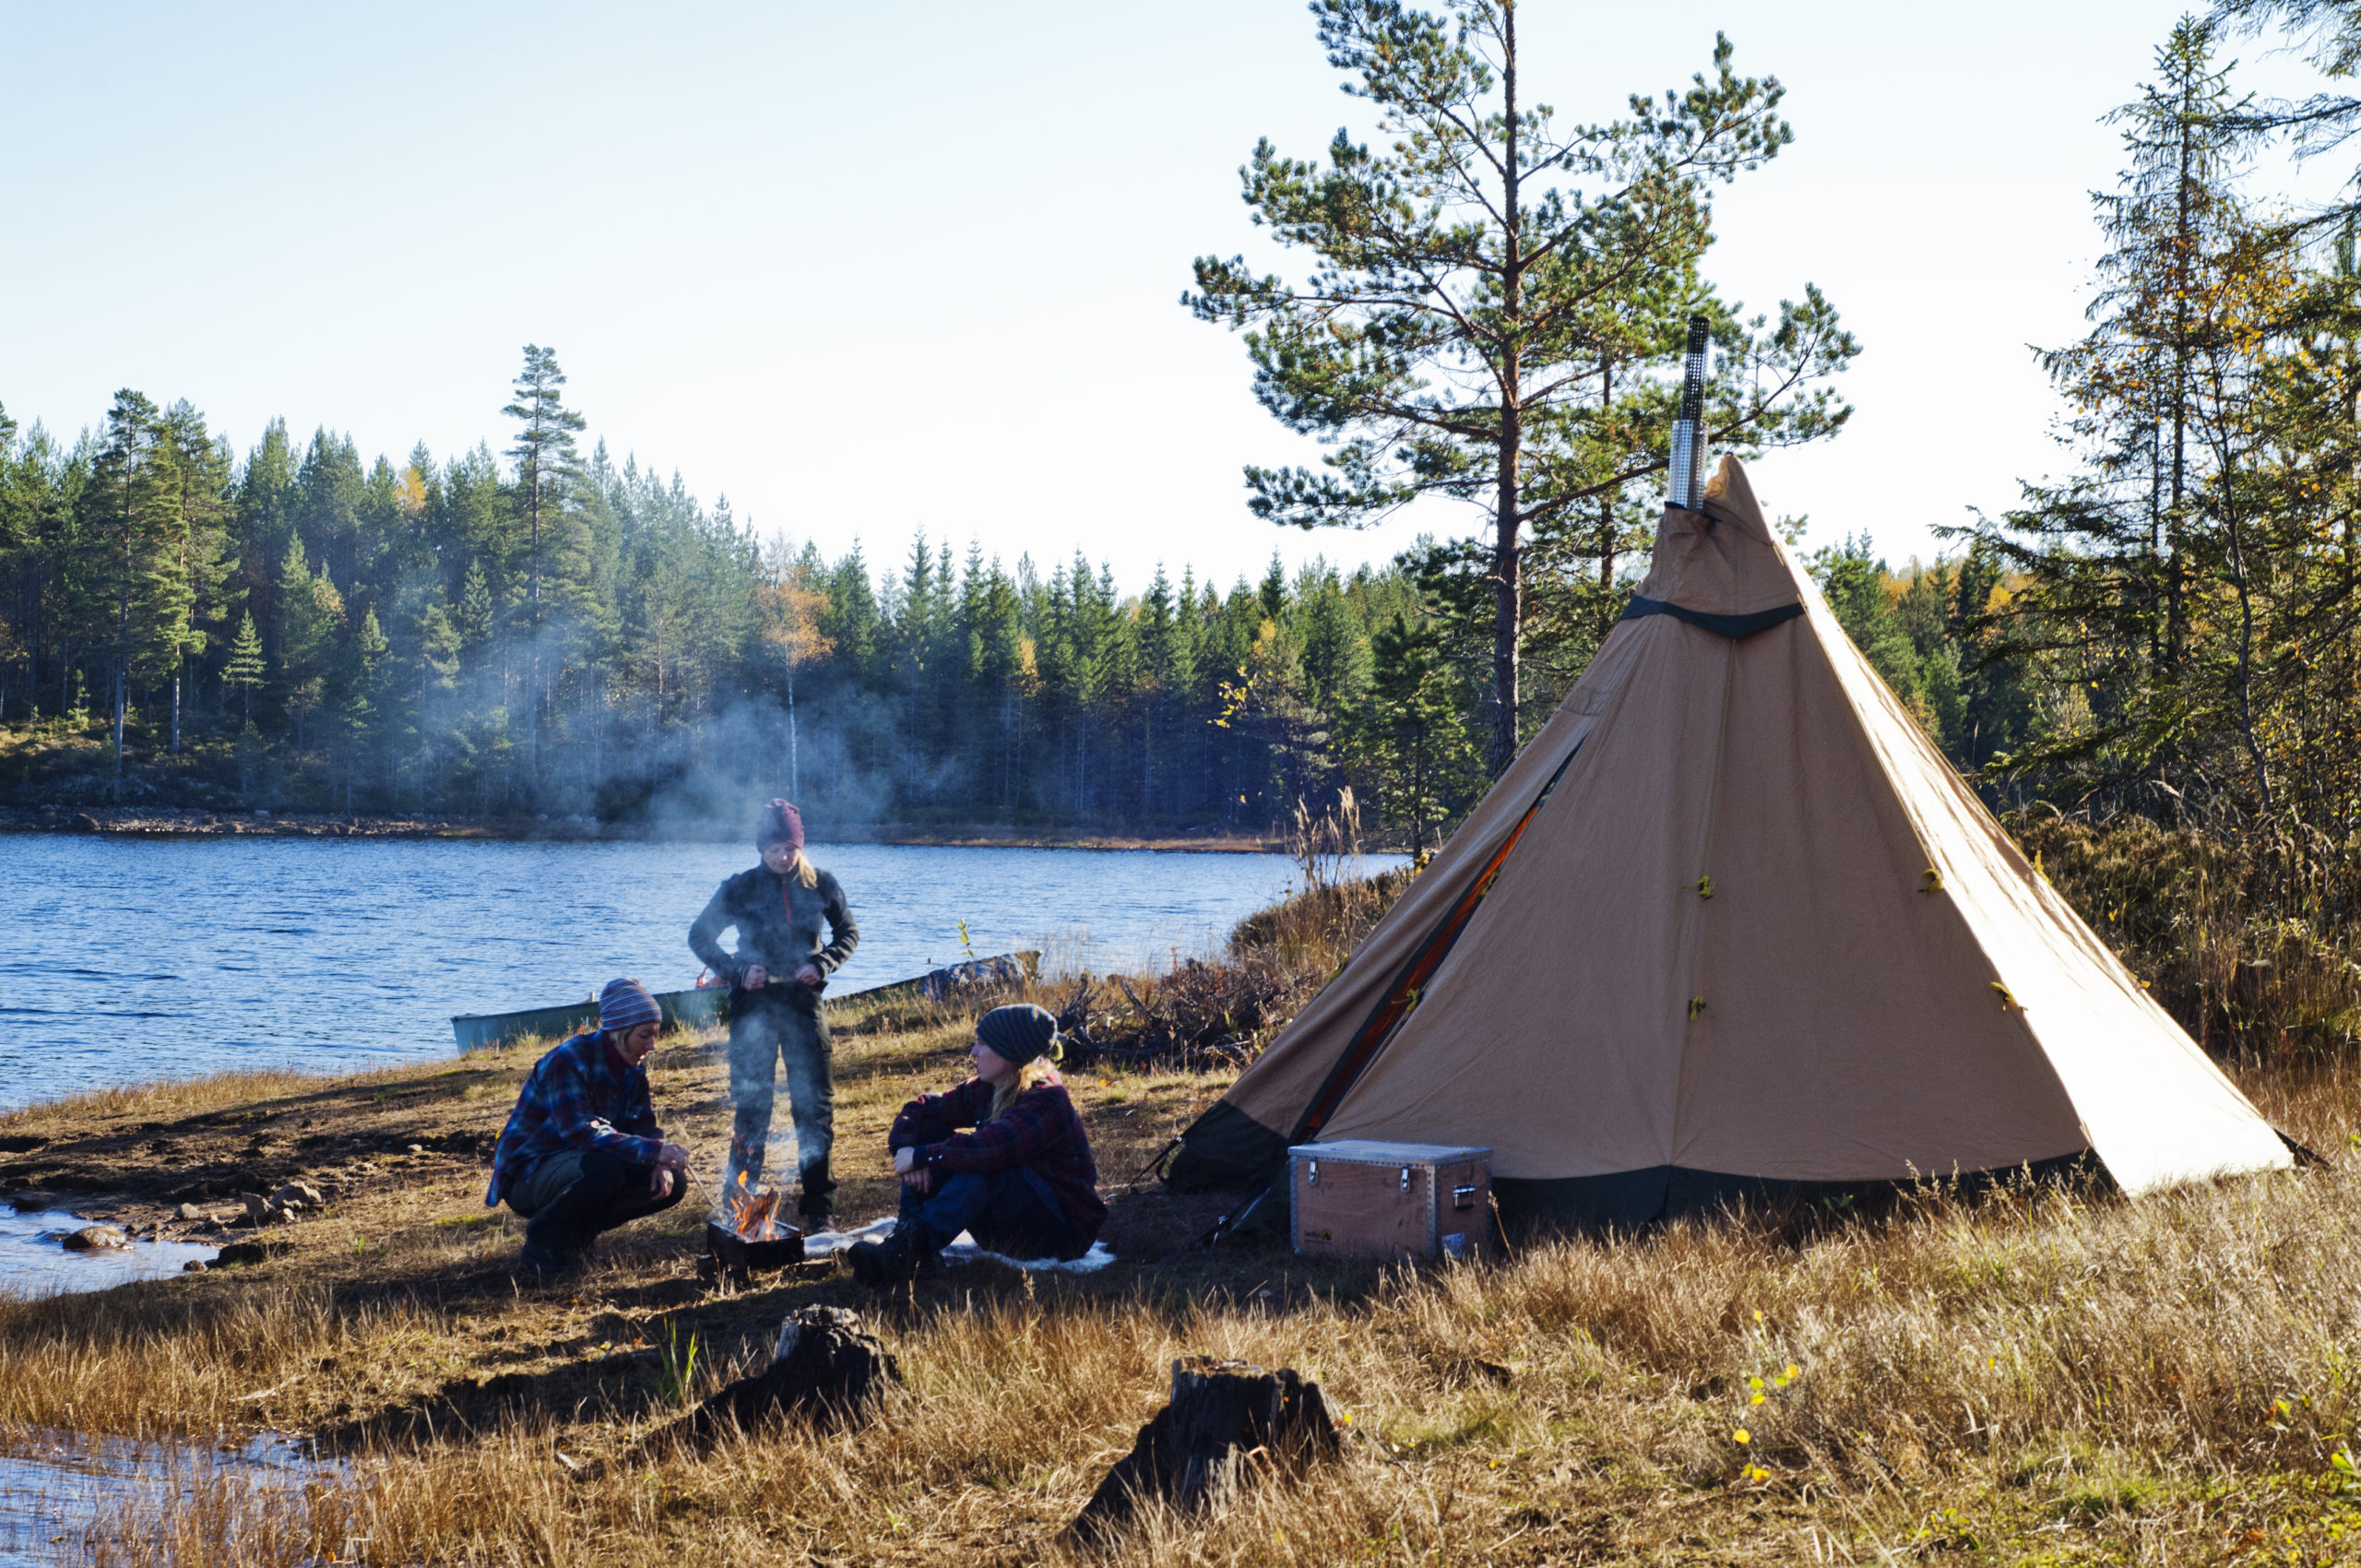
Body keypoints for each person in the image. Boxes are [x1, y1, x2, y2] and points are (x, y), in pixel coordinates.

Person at [688, 798, 859, 1231]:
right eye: (773, 850)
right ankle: (741, 1205)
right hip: (754, 1005)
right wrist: (737, 971)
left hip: (803, 1005)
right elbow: (699, 936)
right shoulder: (739, 887)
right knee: (752, 1105)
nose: (782, 857)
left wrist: (821, 964)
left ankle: (819, 1210)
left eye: (789, 848)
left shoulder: (822, 884)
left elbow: (849, 933)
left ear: (800, 846)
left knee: (813, 1106)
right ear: (760, 849)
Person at [849, 1003, 1107, 1288]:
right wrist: (905, 1151)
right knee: (930, 1127)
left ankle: (905, 1251)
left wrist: (922, 1156)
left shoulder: (1047, 1099)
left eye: (983, 1044)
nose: (973, 1052)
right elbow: (921, 1107)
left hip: (1059, 1233)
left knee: (987, 1164)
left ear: (1010, 1053)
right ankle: (910, 1248)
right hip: (1010, 1220)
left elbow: (993, 1150)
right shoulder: (990, 1087)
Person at [487, 978, 691, 1277]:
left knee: (674, 1183)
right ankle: (543, 1242)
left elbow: (644, 1123)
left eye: (654, 1035)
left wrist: (658, 1161)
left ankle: (575, 1241)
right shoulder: (568, 1060)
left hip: (581, 1162)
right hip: (528, 1172)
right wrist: (654, 1151)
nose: (652, 1045)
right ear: (619, 1033)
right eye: (644, 1035)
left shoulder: (633, 1067)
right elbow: (580, 1132)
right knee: (606, 1169)